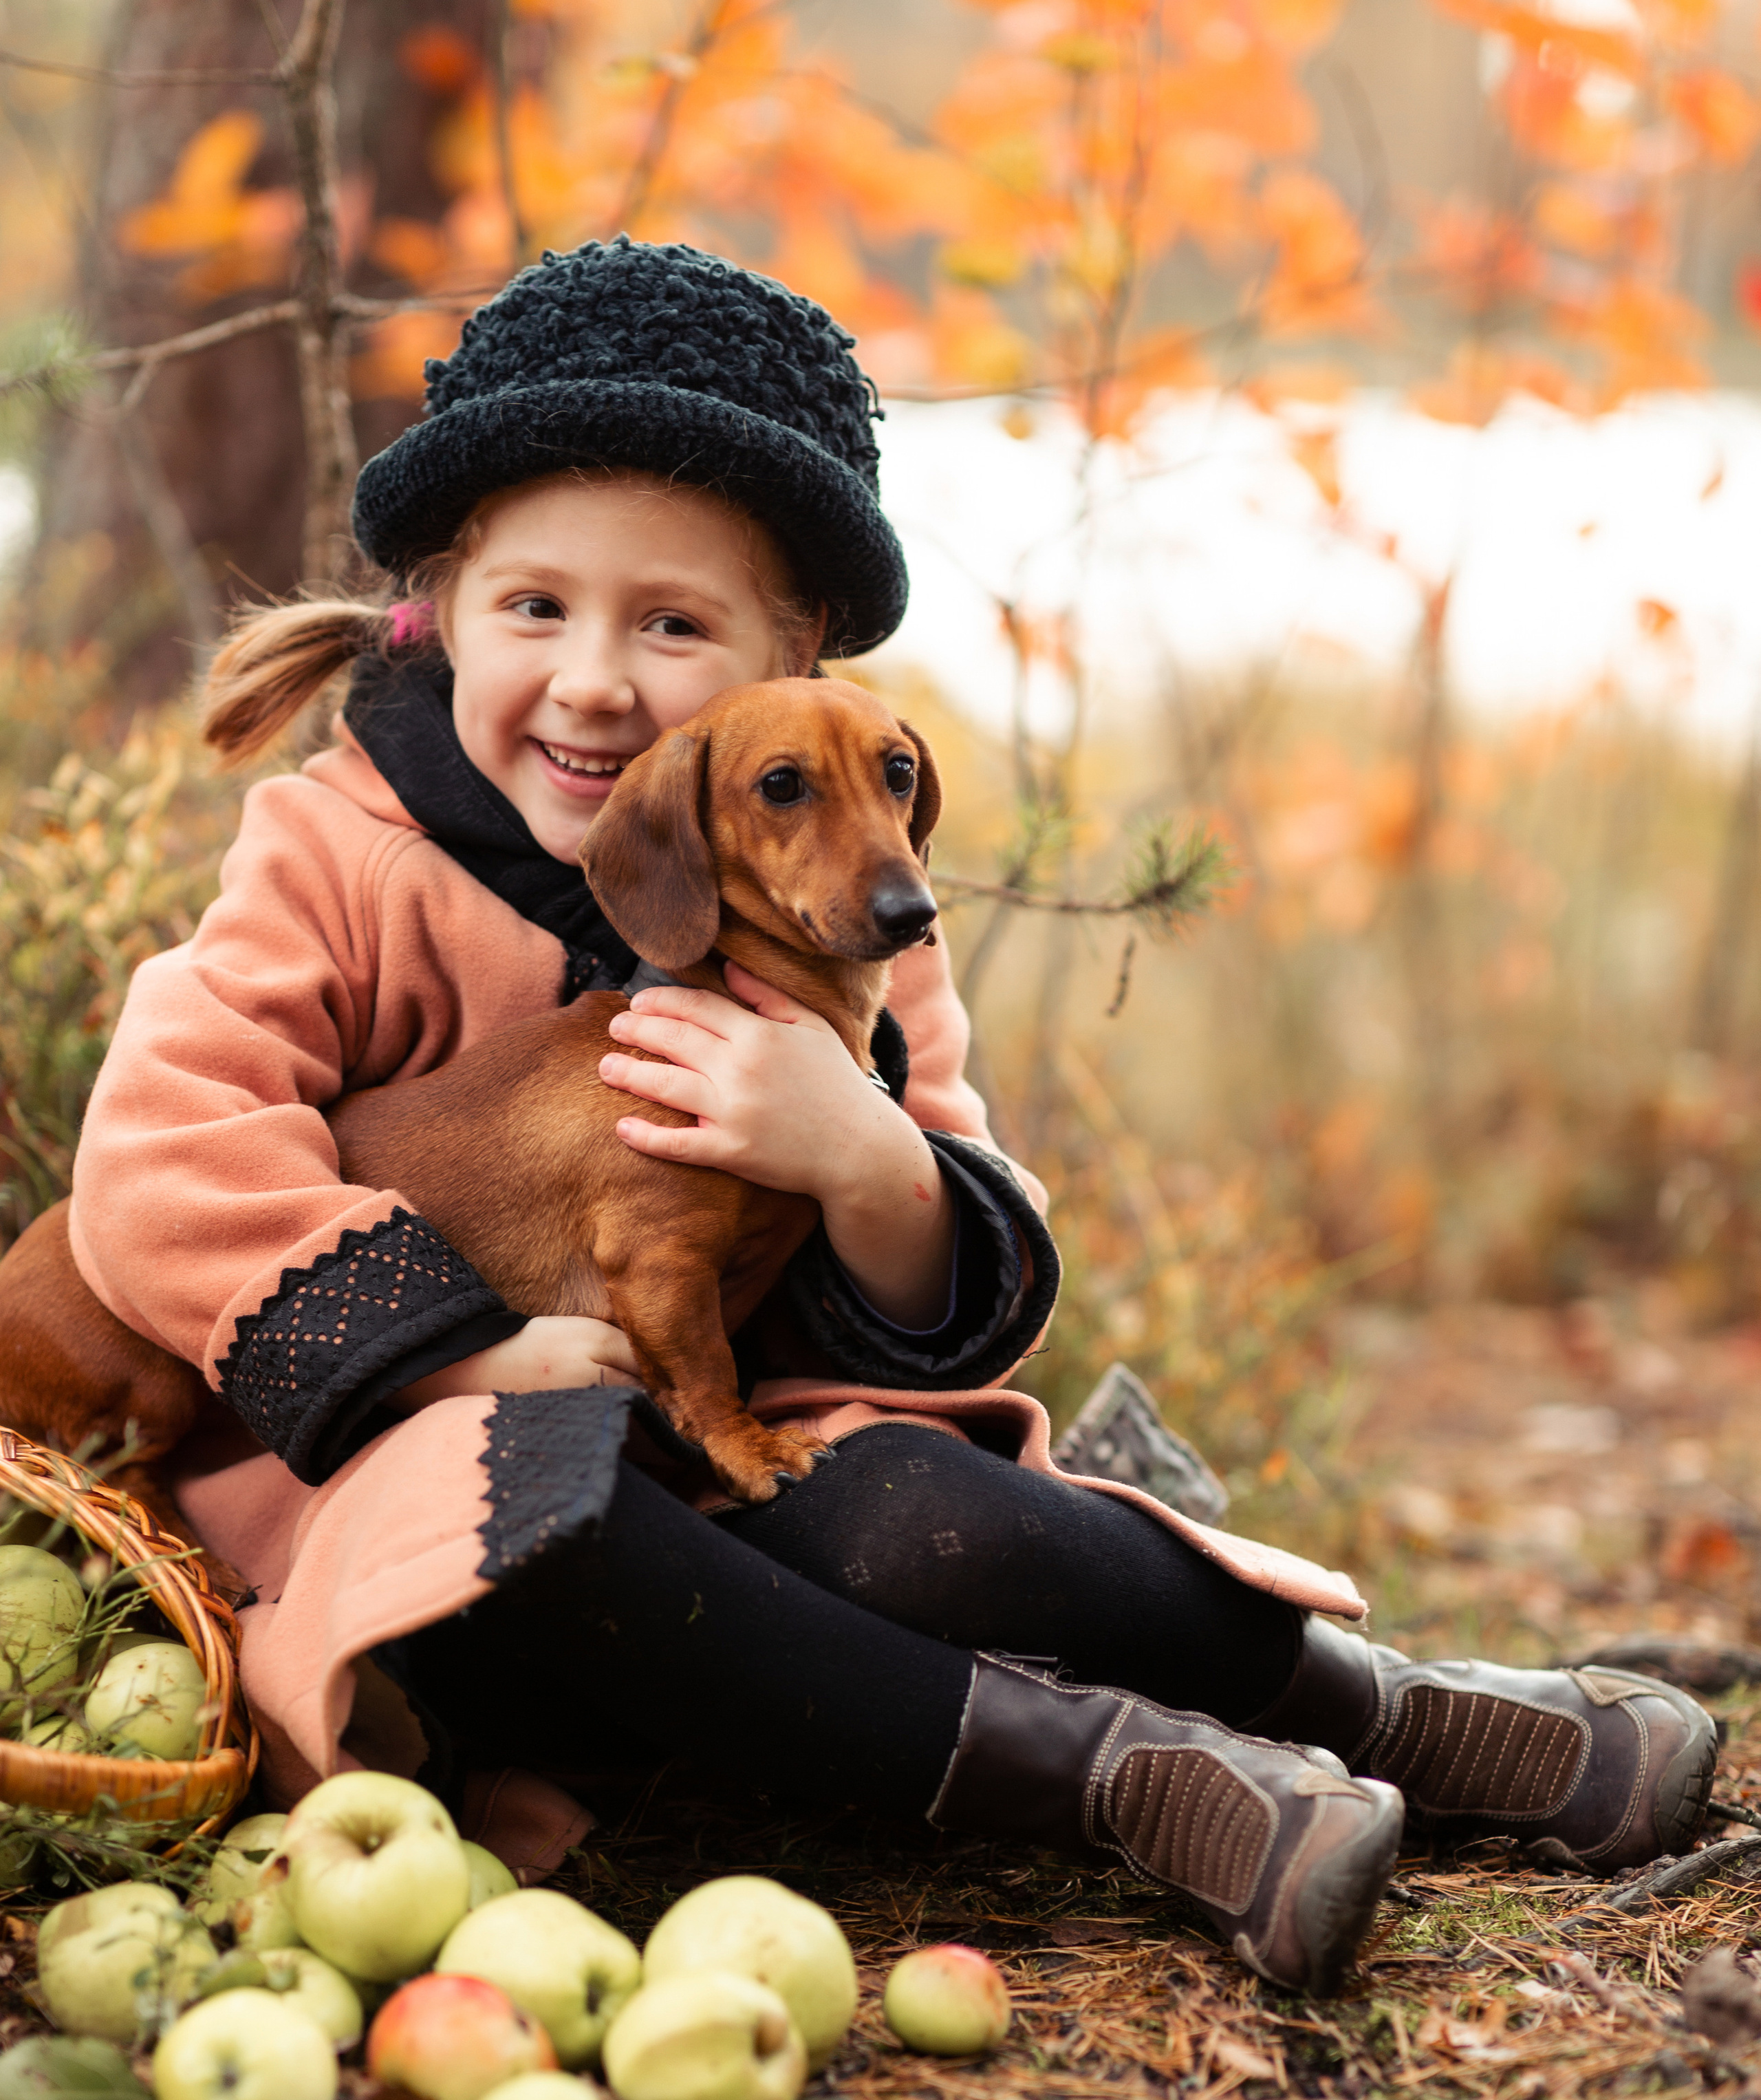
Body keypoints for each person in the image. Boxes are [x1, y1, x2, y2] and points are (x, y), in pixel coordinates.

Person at [65, 241, 1714, 1996]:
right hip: (422, 1498)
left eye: (674, 624)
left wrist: (860, 1154)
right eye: (535, 608)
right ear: (447, 610)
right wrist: (464, 1357)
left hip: (762, 1454)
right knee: (547, 1532)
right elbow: (160, 1153)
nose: (597, 682)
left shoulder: (853, 901)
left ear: (798, 658)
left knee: (938, 1520)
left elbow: (954, 1266)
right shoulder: (333, 853)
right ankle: (1125, 1782)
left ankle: (1376, 1712)